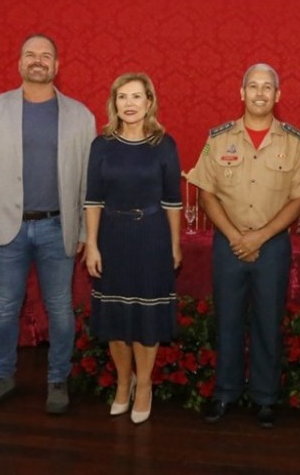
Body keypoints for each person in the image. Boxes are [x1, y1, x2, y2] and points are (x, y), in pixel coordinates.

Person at [0, 34, 96, 414]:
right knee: (5, 308)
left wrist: (87, 231)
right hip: (7, 227)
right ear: (20, 62)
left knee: (60, 309)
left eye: (46, 55)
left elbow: (90, 182)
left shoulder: (81, 116)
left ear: (57, 65)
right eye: (31, 55)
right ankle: (2, 377)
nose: (38, 61)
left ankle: (58, 380)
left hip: (58, 229)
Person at [188, 63, 300, 428]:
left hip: (272, 246)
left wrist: (259, 237)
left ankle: (264, 397)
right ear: (241, 94)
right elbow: (206, 193)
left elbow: (299, 199)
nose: (260, 93)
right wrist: (234, 235)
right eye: (253, 86)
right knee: (226, 320)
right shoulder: (219, 138)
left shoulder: (295, 142)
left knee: (267, 322)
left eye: (267, 87)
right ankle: (225, 393)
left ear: (278, 95)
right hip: (228, 243)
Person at [84, 73, 182, 424]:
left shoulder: (164, 144)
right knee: (115, 319)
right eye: (122, 97)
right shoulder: (102, 145)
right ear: (114, 103)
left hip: (152, 236)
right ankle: (123, 383)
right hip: (112, 236)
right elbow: (92, 200)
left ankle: (144, 387)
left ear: (149, 102)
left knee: (146, 318)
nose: (129, 103)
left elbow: (173, 201)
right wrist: (92, 244)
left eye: (136, 97)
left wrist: (174, 245)